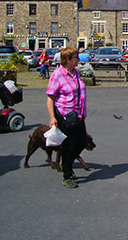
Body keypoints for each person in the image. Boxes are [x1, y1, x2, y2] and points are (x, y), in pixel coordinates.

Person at [47, 47, 88, 189]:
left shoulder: (75, 73)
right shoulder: (57, 75)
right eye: (76, 58)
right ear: (68, 60)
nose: (78, 60)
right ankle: (67, 175)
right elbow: (50, 98)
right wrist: (52, 117)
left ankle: (67, 166)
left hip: (78, 114)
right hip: (65, 115)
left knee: (82, 142)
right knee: (69, 145)